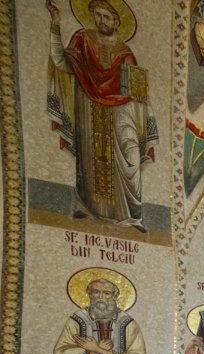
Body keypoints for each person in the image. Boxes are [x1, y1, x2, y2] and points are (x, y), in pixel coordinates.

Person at [47, 0, 157, 230]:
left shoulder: (125, 52)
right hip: (89, 107)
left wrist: (145, 112)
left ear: (116, 22)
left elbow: (136, 92)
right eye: (97, 15)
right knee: (90, 159)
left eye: (106, 17)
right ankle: (86, 207)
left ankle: (133, 215)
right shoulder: (82, 40)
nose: (101, 21)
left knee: (130, 158)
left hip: (122, 111)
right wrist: (55, 24)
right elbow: (61, 62)